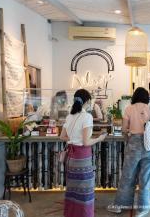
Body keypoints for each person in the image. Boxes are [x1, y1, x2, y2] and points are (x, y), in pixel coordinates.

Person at [108, 87, 150, 217]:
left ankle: (120, 205)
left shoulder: (129, 109)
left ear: (135, 96)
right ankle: (143, 209)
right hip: (149, 146)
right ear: (146, 97)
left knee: (127, 176)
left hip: (133, 145)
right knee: (145, 178)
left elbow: (124, 129)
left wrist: (129, 139)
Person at [60, 89, 107, 217]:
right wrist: (99, 138)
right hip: (82, 158)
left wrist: (73, 139)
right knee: (85, 192)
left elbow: (62, 137)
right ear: (87, 101)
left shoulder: (70, 116)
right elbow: (86, 142)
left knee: (73, 190)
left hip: (70, 158)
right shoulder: (87, 116)